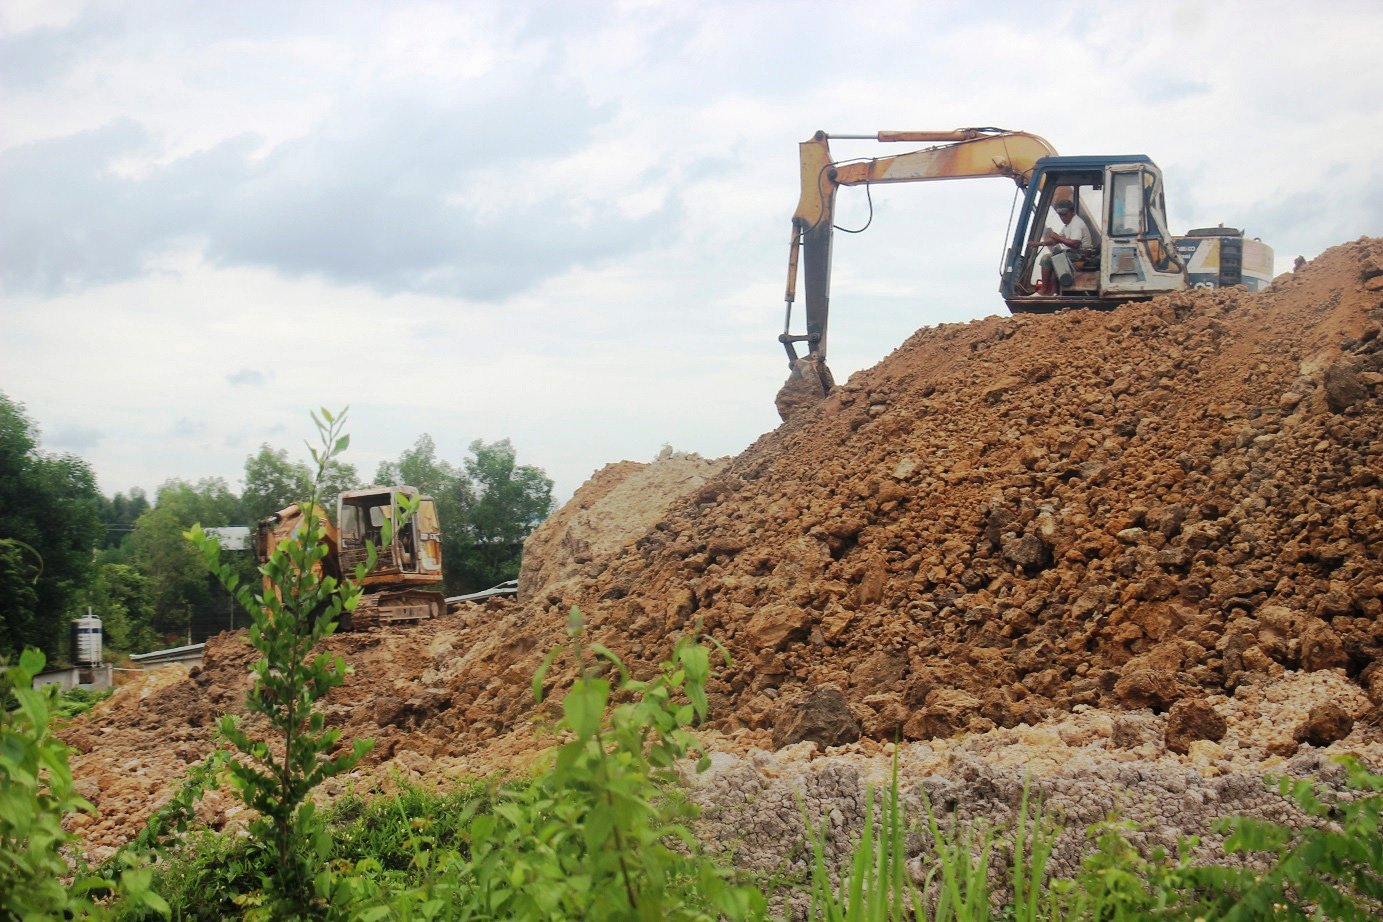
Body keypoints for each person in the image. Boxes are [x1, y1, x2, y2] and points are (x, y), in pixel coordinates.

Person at [1037, 199, 1092, 295]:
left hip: (1080, 255)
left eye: (1065, 214)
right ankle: (1054, 291)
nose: (1062, 217)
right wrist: (1039, 244)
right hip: (1072, 254)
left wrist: (1058, 237)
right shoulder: (1068, 224)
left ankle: (1044, 290)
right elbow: (1056, 240)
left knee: (1047, 259)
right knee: (1055, 256)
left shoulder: (1076, 223)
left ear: (1072, 212)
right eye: (1060, 215)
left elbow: (1075, 244)